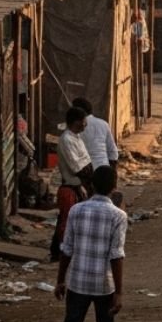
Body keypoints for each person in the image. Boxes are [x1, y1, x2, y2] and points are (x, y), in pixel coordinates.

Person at [51, 165, 127, 322]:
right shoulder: (118, 216)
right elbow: (116, 256)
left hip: (78, 282)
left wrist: (60, 280)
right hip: (104, 284)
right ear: (114, 187)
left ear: (91, 185)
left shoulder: (77, 210)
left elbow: (66, 249)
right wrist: (118, 292)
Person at [51, 107, 94, 262]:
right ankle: (61, 251)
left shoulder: (76, 137)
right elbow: (77, 166)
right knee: (67, 220)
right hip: (73, 184)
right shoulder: (66, 140)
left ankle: (67, 250)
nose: (86, 125)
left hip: (82, 182)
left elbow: (86, 160)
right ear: (76, 122)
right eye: (84, 122)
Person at [71, 98, 119, 171]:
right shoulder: (103, 124)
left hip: (84, 170)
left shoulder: (74, 127)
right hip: (103, 168)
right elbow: (113, 151)